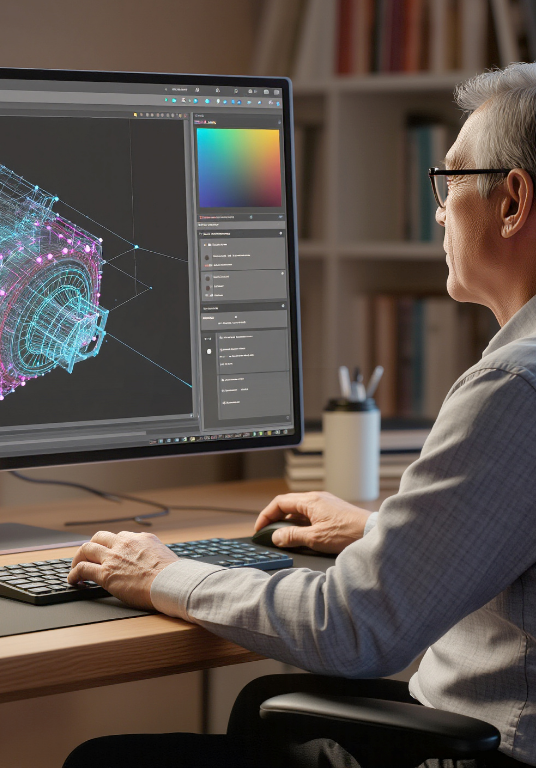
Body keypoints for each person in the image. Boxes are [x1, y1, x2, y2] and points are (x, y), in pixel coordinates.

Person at [62, 63, 536, 768]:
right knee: (262, 708)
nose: (439, 210)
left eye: (452, 180)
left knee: (105, 761)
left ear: (512, 201)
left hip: (484, 752)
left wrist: (161, 572)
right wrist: (381, 534)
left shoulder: (512, 384)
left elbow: (353, 630)